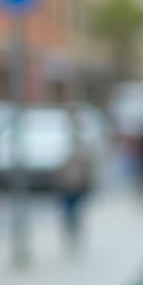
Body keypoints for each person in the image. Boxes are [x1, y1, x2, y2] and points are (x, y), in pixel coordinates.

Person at [55, 108, 93, 252]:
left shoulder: (82, 146)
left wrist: (86, 182)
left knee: (74, 212)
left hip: (77, 185)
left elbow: (88, 167)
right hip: (66, 185)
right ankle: (70, 234)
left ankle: (74, 234)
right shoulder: (62, 142)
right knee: (68, 212)